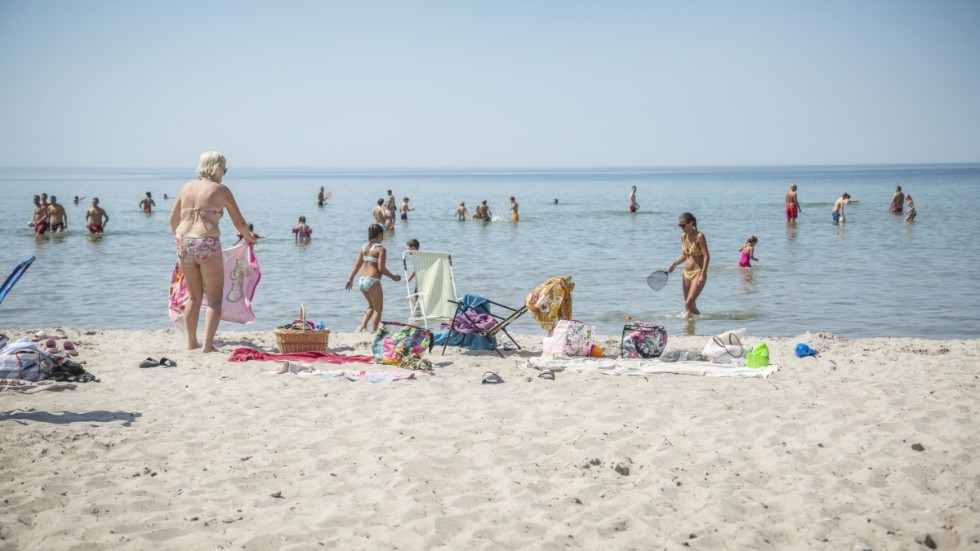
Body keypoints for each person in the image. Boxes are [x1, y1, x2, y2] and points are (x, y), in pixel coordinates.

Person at [170, 151, 254, 353]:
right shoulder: (221, 190)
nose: (224, 173)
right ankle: (207, 346)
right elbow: (240, 223)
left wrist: (184, 242)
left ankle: (191, 343)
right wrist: (250, 238)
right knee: (215, 299)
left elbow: (173, 220)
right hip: (206, 242)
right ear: (217, 168)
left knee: (193, 296)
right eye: (223, 169)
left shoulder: (186, 187)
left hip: (183, 241)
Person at [345, 224, 401, 333]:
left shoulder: (363, 248)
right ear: (380, 235)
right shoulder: (381, 249)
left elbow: (357, 265)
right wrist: (393, 277)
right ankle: (374, 332)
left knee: (371, 306)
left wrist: (350, 279)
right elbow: (381, 268)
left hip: (361, 281)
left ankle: (362, 327)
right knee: (378, 309)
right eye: (383, 235)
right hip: (372, 281)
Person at [667, 212, 709, 318]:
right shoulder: (683, 237)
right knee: (689, 306)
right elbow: (685, 256)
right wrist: (674, 264)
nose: (681, 227)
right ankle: (690, 329)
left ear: (691, 223)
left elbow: (706, 256)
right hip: (686, 274)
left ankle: (700, 322)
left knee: (688, 303)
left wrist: (703, 274)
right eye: (679, 226)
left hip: (698, 273)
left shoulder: (699, 236)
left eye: (683, 225)